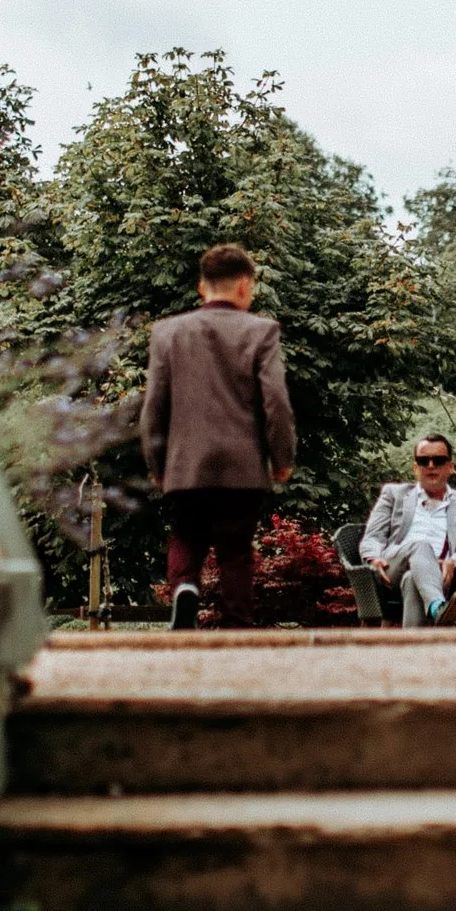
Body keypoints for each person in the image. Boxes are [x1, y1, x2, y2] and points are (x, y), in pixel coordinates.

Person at [141, 243, 296, 629]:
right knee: (235, 551)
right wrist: (282, 459)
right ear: (245, 286)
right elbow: (275, 402)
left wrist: (156, 463)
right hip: (242, 465)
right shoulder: (262, 332)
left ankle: (185, 589)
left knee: (186, 536)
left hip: (185, 462)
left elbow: (154, 406)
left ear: (201, 287)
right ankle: (237, 626)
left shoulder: (167, 332)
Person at [359, 433, 456, 626]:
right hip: (392, 570)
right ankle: (438, 606)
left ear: (451, 467)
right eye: (424, 461)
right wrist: (373, 558)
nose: (431, 466)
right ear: (415, 468)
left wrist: (454, 562)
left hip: (440, 575)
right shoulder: (394, 494)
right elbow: (372, 537)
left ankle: (416, 651)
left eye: (439, 460)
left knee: (412, 580)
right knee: (420, 545)